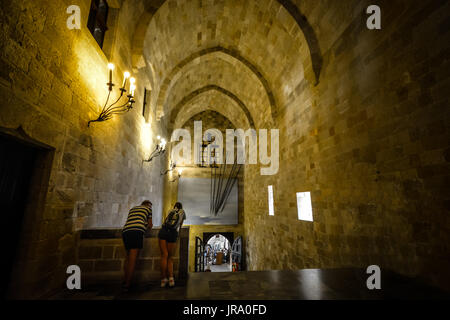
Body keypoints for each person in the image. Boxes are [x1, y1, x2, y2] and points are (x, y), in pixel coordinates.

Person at [121, 200, 153, 291]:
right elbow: (150, 225)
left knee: (127, 258)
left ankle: (124, 280)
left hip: (126, 231)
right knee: (133, 259)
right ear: (148, 205)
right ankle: (127, 284)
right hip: (136, 231)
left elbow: (131, 220)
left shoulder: (132, 209)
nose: (150, 208)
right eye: (150, 206)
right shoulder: (148, 209)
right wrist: (145, 225)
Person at [158, 202, 186, 288]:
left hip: (163, 231)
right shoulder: (182, 212)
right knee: (170, 257)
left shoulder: (170, 210)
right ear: (181, 207)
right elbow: (180, 224)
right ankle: (171, 279)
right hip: (173, 233)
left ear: (174, 206)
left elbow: (165, 221)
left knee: (164, 255)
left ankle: (163, 279)